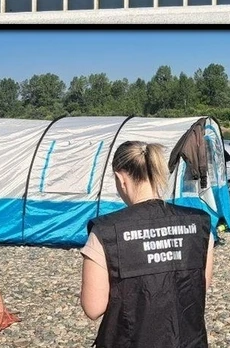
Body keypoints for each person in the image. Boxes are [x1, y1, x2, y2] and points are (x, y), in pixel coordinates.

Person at [80, 141, 214, 348]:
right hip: (188, 340)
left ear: (120, 178)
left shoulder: (106, 231)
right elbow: (198, 286)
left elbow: (93, 307)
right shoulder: (200, 224)